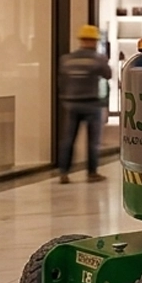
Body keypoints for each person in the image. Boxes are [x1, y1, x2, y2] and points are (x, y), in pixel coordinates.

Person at [57, 25, 112, 184]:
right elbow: (107, 75)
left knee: (68, 140)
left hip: (71, 103)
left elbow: (62, 80)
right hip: (92, 103)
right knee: (93, 141)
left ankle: (64, 173)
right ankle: (92, 173)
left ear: (81, 40)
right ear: (95, 41)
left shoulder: (67, 59)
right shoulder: (98, 59)